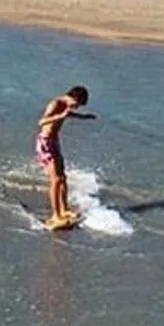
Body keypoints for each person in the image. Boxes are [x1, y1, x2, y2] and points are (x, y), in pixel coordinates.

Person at [35, 85, 95, 229]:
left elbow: (68, 114)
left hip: (54, 142)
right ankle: (55, 215)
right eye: (77, 105)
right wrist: (61, 116)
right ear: (73, 98)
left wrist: (83, 117)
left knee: (63, 178)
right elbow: (42, 122)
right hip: (45, 143)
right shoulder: (55, 104)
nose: (76, 108)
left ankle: (64, 209)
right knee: (55, 180)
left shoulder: (66, 107)